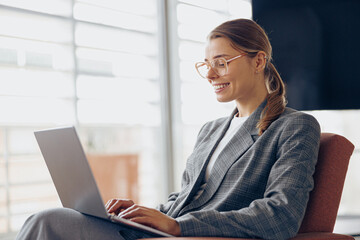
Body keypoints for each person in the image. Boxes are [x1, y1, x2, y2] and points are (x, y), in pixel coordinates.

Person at [16, 18, 320, 240]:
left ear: (259, 61)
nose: (211, 74)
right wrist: (142, 212)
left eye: (222, 63)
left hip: (193, 236)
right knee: (52, 218)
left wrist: (179, 226)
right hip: (166, 232)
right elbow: (187, 198)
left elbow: (281, 215)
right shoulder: (211, 130)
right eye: (206, 65)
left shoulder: (294, 127)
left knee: (48, 222)